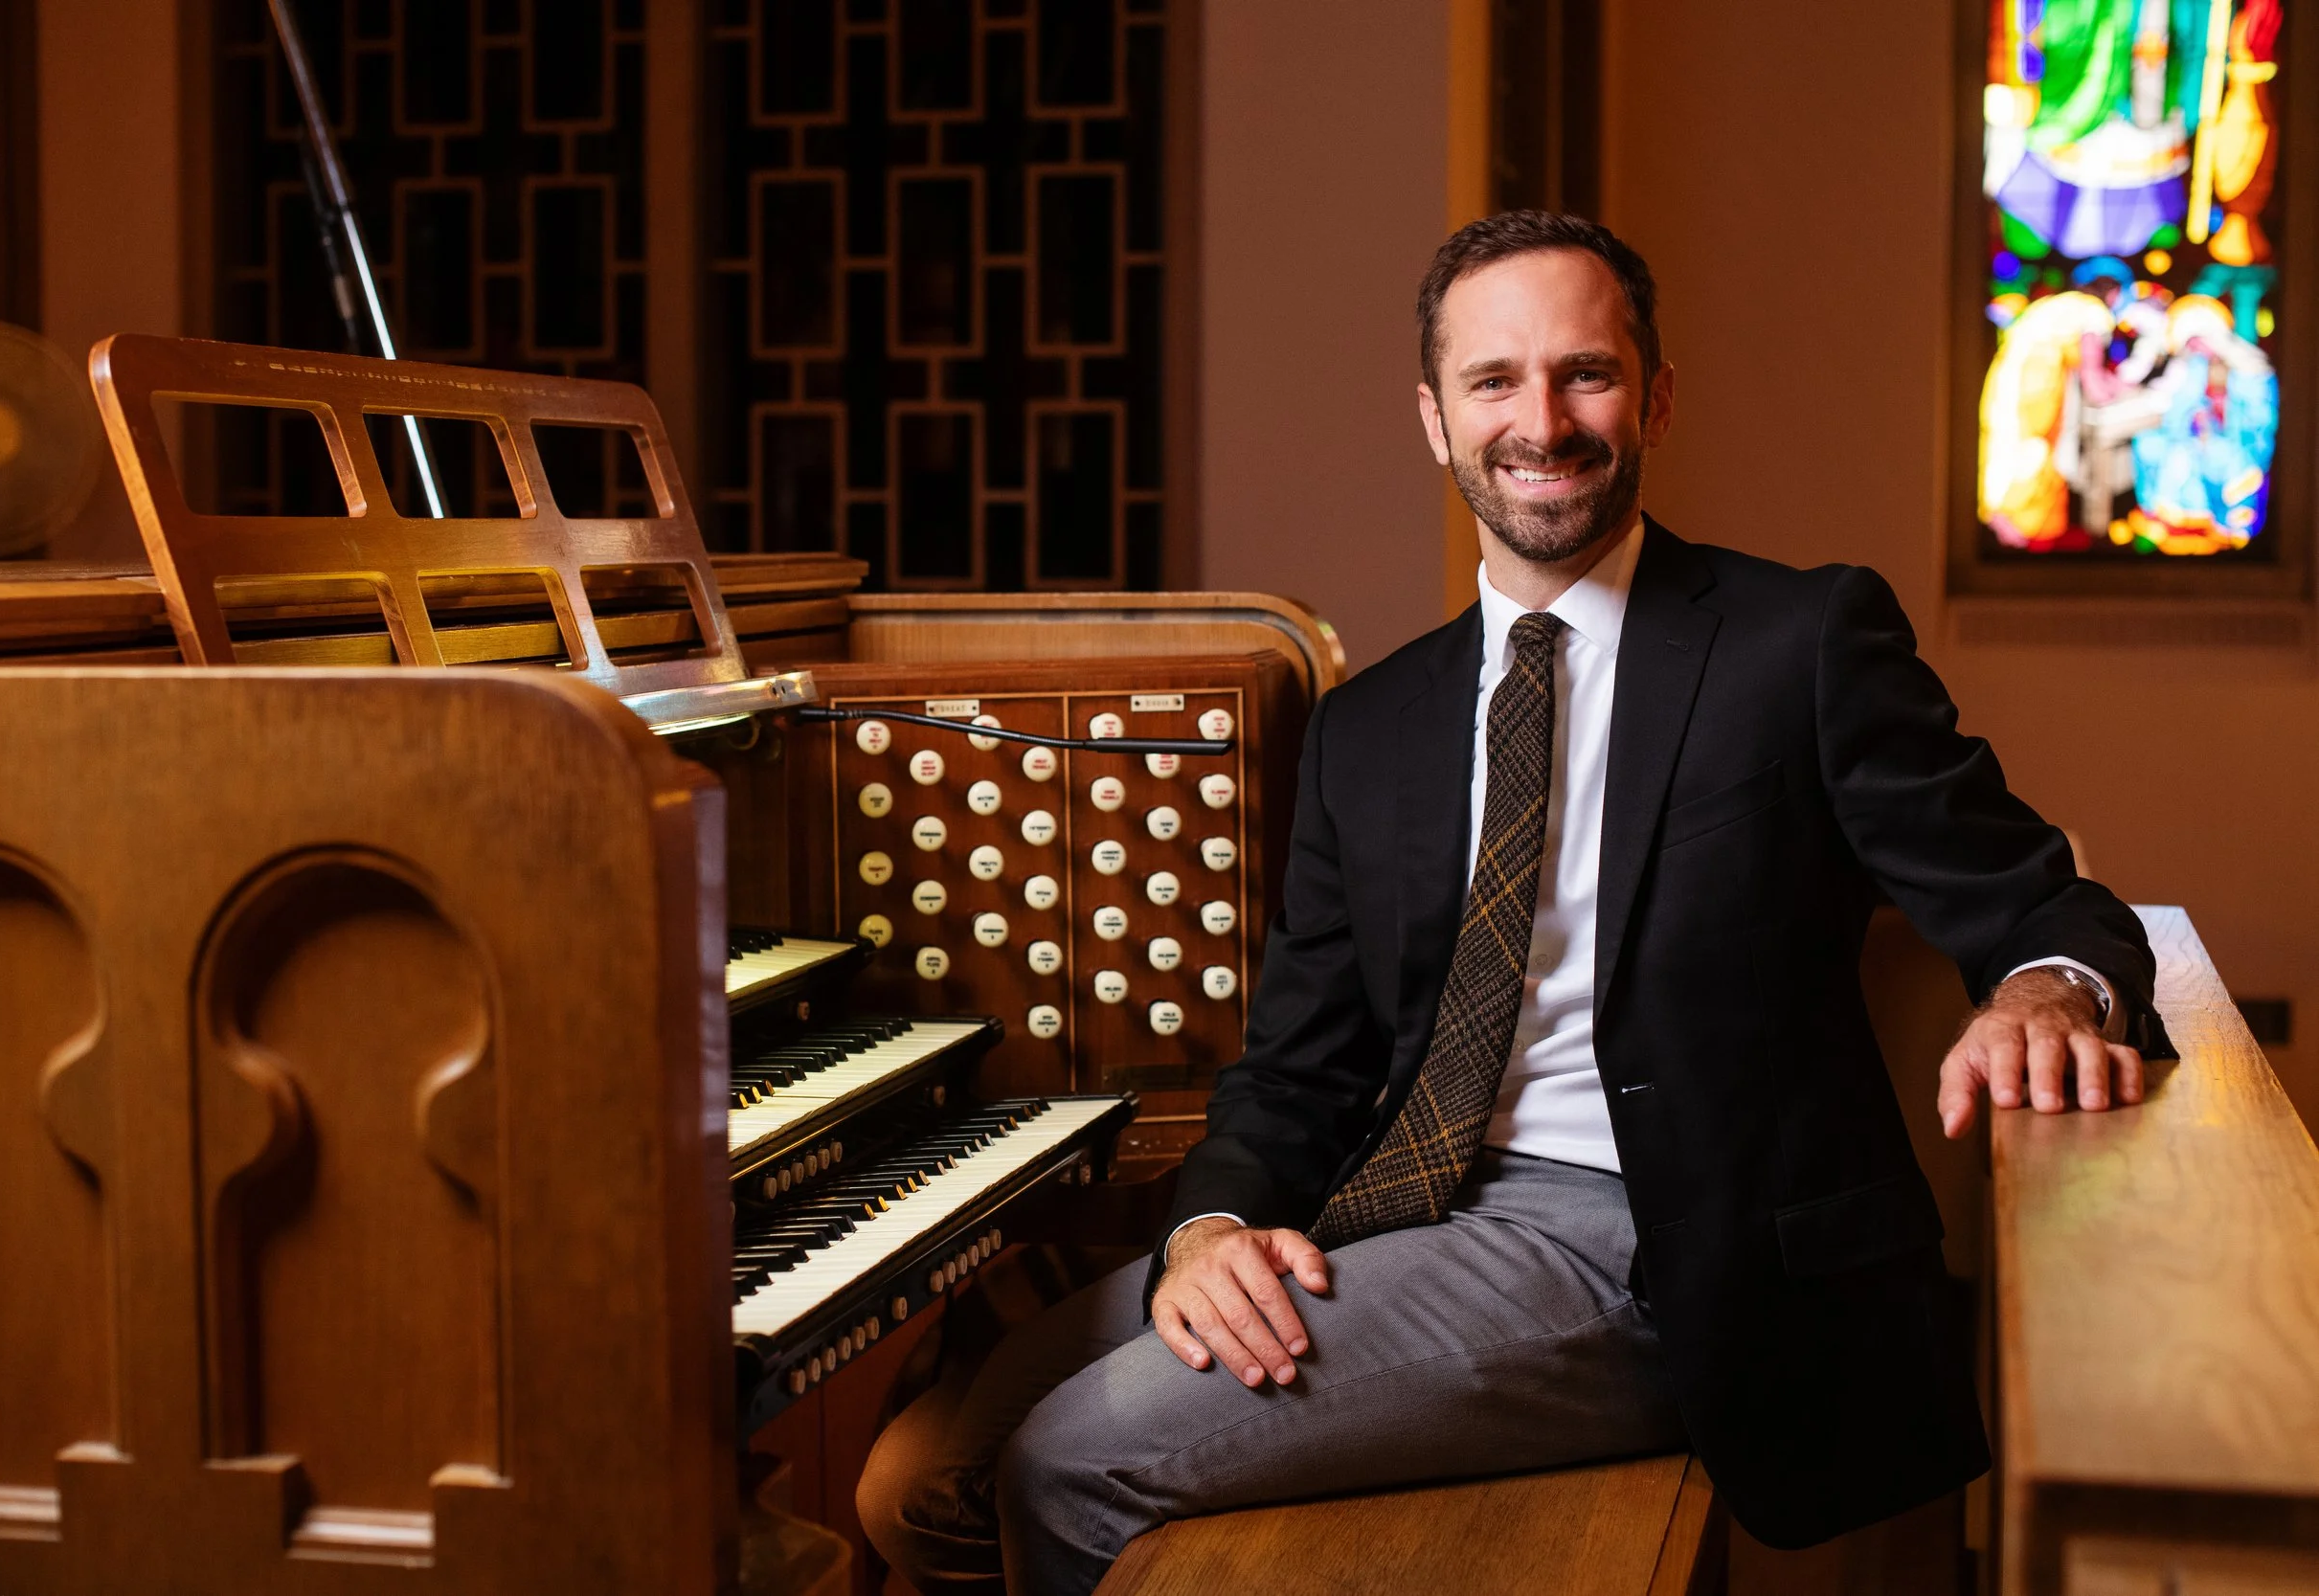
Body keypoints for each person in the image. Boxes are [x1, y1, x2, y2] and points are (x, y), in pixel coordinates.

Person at [856, 210, 2159, 1596]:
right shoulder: (1371, 727)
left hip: (1660, 1248)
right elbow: (1299, 1062)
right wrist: (1210, 1229)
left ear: (1652, 395)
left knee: (1065, 1464)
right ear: (1435, 418)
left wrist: (2042, 990)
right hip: (1402, 1211)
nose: (1544, 420)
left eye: (1584, 372)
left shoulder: (1802, 642)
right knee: (917, 1477)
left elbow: (2044, 906)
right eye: (1494, 382)